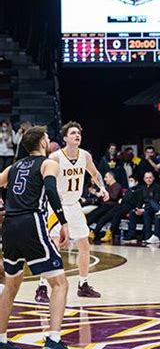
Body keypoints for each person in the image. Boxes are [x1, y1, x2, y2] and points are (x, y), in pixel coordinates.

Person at [0, 126, 80, 349]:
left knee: (12, 284)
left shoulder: (13, 167)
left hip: (10, 226)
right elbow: (51, 190)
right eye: (47, 138)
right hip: (31, 221)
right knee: (60, 283)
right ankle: (54, 341)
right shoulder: (48, 163)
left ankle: (1, 341)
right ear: (43, 143)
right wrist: (63, 222)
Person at [34, 121, 109, 303]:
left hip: (74, 205)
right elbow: (43, 180)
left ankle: (83, 285)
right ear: (65, 138)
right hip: (56, 206)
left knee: (84, 245)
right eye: (73, 133)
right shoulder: (55, 158)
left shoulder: (85, 156)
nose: (77, 135)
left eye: (79, 133)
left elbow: (94, 173)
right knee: (53, 246)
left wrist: (102, 188)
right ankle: (42, 287)